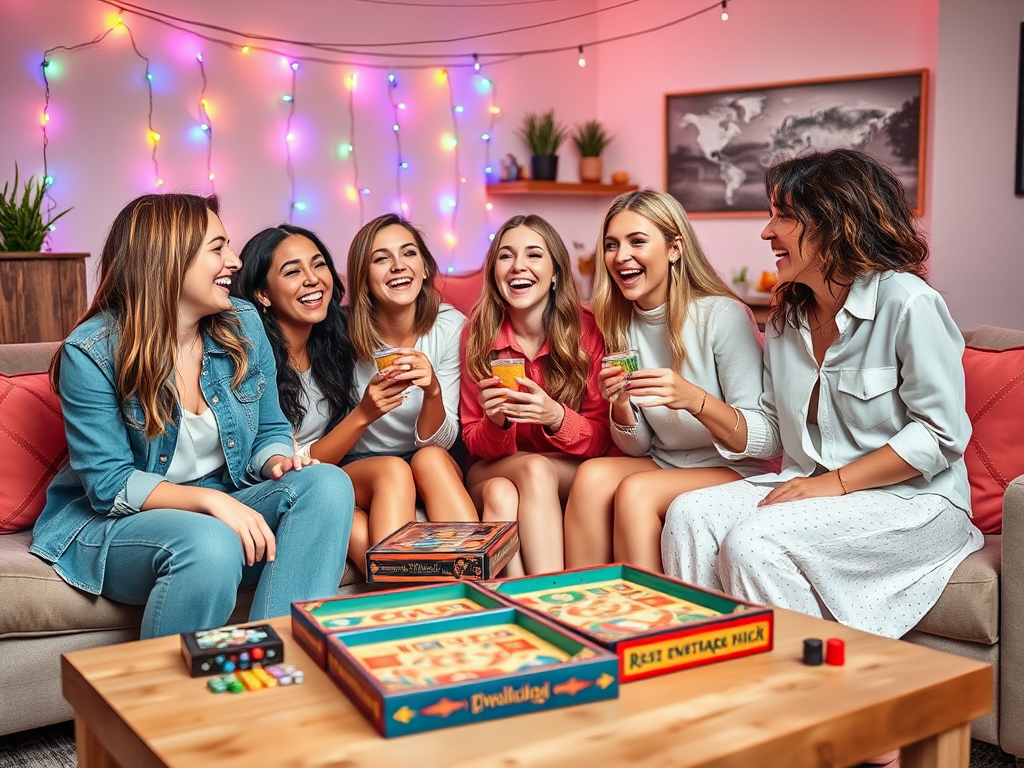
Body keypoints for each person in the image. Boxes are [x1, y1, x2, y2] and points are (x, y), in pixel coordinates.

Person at [661, 149, 985, 644]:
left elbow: (939, 436)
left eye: (784, 216)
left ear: (835, 221)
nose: (767, 232)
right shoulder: (788, 319)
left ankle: (798, 701)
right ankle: (714, 677)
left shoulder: (908, 303)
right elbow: (771, 432)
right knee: (689, 513)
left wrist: (833, 483)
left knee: (756, 542)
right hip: (812, 486)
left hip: (915, 502)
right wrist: (698, 401)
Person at [30, 194, 354, 639]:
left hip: (222, 502)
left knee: (328, 483)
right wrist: (211, 502)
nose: (235, 261)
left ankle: (279, 664)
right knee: (210, 541)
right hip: (117, 523)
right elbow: (108, 486)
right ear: (169, 259)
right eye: (218, 248)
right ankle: (168, 707)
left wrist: (276, 462)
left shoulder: (242, 322)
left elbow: (272, 430)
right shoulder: (92, 351)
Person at [562, 188, 773, 572]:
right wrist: (622, 406)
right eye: (611, 245)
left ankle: (650, 623)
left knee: (636, 492)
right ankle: (580, 611)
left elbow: (763, 439)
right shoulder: (619, 323)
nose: (620, 256)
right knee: (591, 477)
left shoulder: (721, 316)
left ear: (675, 248)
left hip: (738, 468)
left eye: (637, 241)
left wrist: (694, 399)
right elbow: (638, 447)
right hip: (667, 461)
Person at [235, 223, 430, 573]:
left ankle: (409, 611)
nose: (313, 279)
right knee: (361, 537)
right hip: (282, 483)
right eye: (293, 271)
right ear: (263, 294)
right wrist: (363, 414)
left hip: (335, 475)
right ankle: (412, 609)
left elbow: (401, 312)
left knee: (393, 470)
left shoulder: (335, 340)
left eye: (319, 264)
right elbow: (285, 463)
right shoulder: (250, 358)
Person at [461, 214, 610, 576]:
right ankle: (544, 597)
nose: (518, 266)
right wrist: (496, 422)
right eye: (506, 256)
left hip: (565, 468)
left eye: (533, 255)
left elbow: (604, 437)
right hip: (495, 467)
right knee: (502, 488)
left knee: (534, 470)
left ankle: (536, 594)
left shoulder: (587, 329)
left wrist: (556, 417)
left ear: (556, 272)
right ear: (494, 272)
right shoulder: (476, 334)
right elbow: (472, 441)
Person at [344, 213, 478, 540]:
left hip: (429, 458)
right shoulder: (339, 334)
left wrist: (432, 390)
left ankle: (475, 579)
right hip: (365, 466)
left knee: (430, 458)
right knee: (395, 470)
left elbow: (443, 441)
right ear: (363, 277)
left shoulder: (449, 327)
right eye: (381, 258)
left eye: (408, 253)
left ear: (425, 267)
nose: (398, 265)